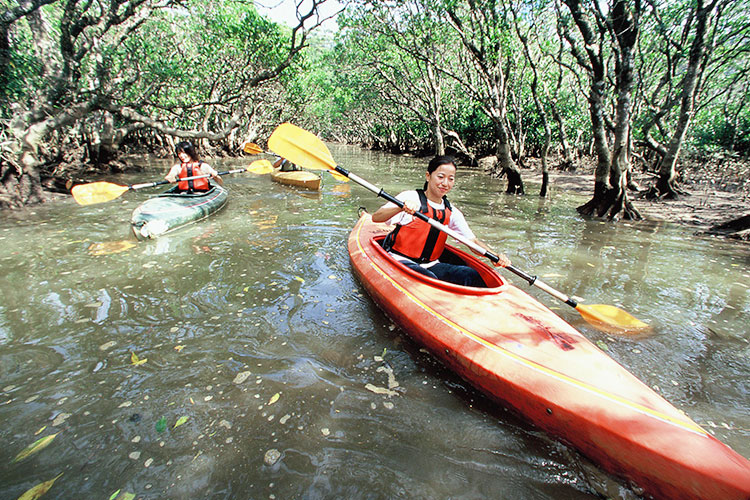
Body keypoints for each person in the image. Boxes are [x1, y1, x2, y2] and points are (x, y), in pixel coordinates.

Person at [371, 155, 511, 287]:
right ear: (428, 176)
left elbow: (472, 241)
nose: (445, 183)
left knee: (470, 274)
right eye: (440, 177)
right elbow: (377, 217)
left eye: (451, 179)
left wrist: (494, 256)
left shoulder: (452, 212)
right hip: (400, 260)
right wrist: (401, 207)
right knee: (428, 278)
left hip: (432, 264)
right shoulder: (410, 197)